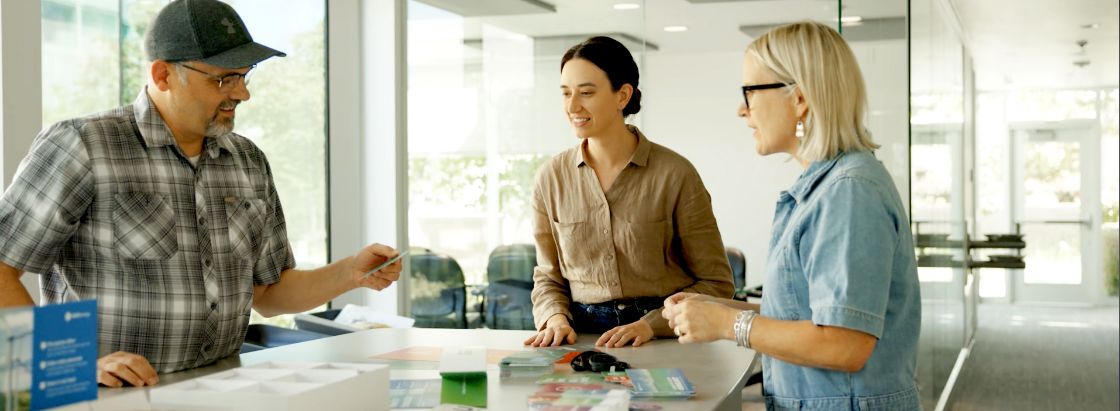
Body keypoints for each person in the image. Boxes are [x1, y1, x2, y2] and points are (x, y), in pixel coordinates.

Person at [0, 0, 402, 388]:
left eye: (245, 76)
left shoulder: (247, 160)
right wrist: (67, 364)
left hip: (221, 388)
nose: (242, 93)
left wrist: (351, 272)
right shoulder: (83, 145)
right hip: (112, 396)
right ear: (162, 75)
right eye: (223, 79)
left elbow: (268, 293)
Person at [662, 22, 922, 410]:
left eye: (749, 91)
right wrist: (720, 310)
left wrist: (725, 325)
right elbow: (808, 317)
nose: (741, 109)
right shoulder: (828, 188)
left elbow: (844, 344)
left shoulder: (848, 193)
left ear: (799, 99)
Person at [525, 36, 734, 349]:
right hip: (583, 339)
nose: (572, 106)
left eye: (586, 92)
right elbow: (548, 277)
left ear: (622, 95)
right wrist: (555, 318)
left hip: (665, 335)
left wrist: (653, 324)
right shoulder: (550, 178)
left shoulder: (675, 174)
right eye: (566, 93)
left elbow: (717, 284)